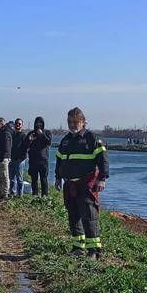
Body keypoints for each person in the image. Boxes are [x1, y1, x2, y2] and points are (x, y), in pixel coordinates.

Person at [55, 107, 109, 258]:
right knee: (73, 216)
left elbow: (103, 160)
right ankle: (78, 248)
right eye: (69, 122)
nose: (72, 125)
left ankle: (94, 251)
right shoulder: (65, 141)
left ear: (83, 122)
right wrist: (58, 177)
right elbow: (59, 160)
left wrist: (102, 179)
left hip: (87, 185)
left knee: (89, 217)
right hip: (70, 185)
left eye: (75, 122)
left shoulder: (93, 139)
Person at [24, 116, 53, 196]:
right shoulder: (31, 133)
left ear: (43, 124)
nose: (38, 125)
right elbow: (26, 145)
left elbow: (49, 142)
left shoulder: (47, 132)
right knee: (34, 180)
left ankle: (45, 197)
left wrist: (42, 134)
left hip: (43, 161)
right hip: (33, 160)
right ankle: (35, 196)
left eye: (40, 123)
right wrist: (29, 140)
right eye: (37, 123)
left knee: (44, 179)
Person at [0, 118, 12, 201]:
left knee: (4, 177)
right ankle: (1, 193)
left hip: (3, 159)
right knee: (0, 177)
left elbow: (6, 147)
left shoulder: (6, 133)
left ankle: (5, 194)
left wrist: (2, 157)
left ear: (1, 123)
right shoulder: (1, 132)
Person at [9, 118, 27, 197]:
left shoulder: (23, 136)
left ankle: (20, 195)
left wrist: (22, 157)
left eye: (19, 124)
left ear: (22, 125)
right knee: (12, 178)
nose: (17, 125)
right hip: (12, 159)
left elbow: (26, 147)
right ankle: (12, 193)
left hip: (20, 160)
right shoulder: (12, 135)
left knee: (19, 178)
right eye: (16, 123)